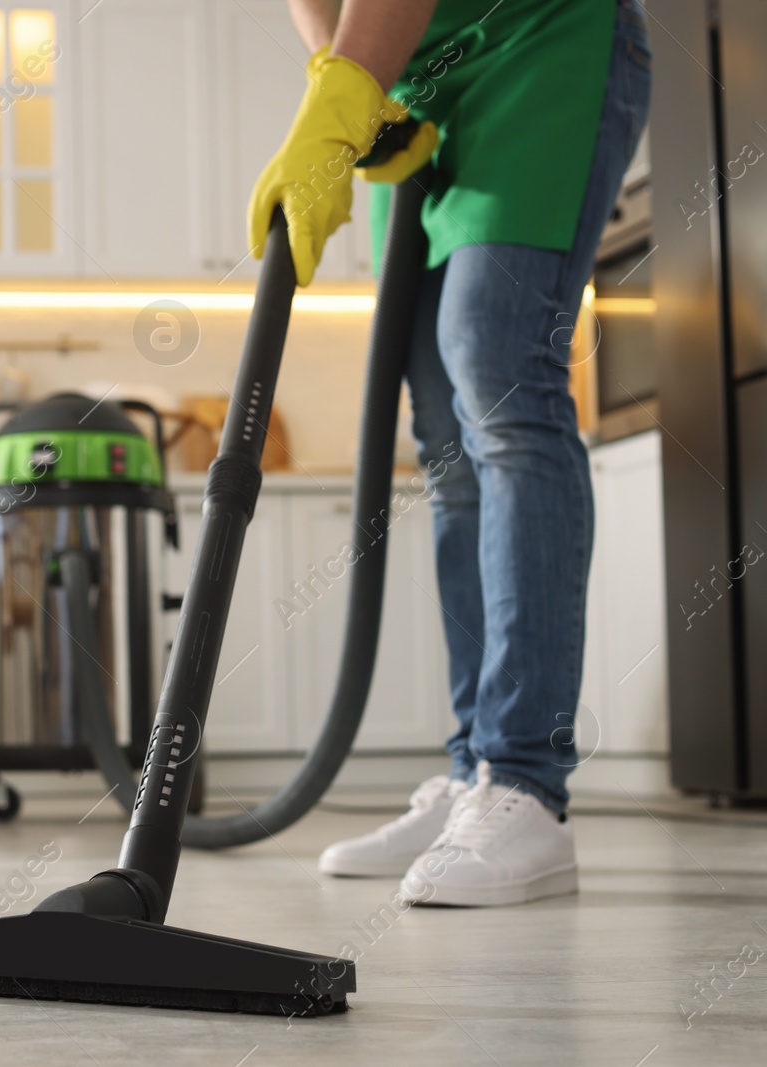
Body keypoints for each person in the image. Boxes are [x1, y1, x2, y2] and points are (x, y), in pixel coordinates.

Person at [249, 0, 650, 904]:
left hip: (542, 34)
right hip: (425, 73)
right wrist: (339, 76)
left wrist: (347, 89)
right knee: (441, 423)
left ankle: (524, 785)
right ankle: (475, 769)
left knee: (496, 361)